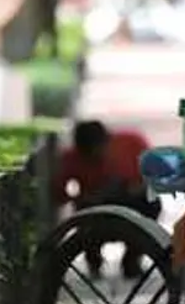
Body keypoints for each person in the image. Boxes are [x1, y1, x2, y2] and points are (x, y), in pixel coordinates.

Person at [53, 120, 160, 279]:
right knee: (84, 212)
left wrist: (136, 185)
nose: (97, 155)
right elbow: (59, 192)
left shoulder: (131, 142)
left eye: (99, 148)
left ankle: (132, 259)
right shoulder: (72, 157)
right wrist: (81, 197)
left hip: (130, 201)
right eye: (90, 153)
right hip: (95, 208)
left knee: (151, 203)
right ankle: (93, 260)